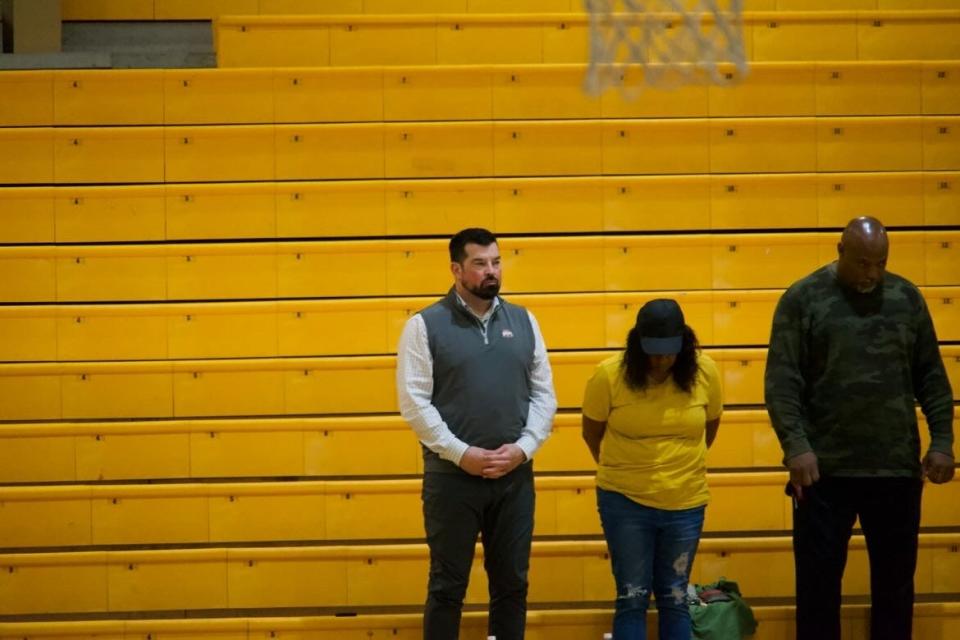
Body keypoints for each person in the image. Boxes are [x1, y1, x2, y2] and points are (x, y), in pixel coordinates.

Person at [764, 216, 955, 640]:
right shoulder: (803, 299)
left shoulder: (907, 298)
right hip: (823, 472)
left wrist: (942, 440)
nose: (872, 273)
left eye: (880, 263)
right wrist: (796, 446)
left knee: (896, 588)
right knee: (817, 591)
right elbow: (782, 382)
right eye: (863, 263)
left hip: (895, 469)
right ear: (840, 251)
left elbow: (932, 377)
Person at [396, 227, 557, 640]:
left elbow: (544, 395)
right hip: (452, 479)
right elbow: (414, 402)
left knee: (513, 586)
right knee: (448, 588)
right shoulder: (423, 325)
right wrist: (459, 452)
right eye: (480, 264)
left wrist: (523, 449)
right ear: (456, 269)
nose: (492, 271)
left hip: (514, 478)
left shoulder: (526, 320)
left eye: (497, 262)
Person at [582, 298, 723, 640]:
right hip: (624, 501)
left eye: (669, 352)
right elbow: (591, 432)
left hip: (685, 503)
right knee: (632, 598)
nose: (661, 361)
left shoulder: (706, 372)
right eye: (653, 352)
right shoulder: (608, 375)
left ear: (685, 344)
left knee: (674, 597)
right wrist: (629, 471)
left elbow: (711, 427)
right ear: (637, 344)